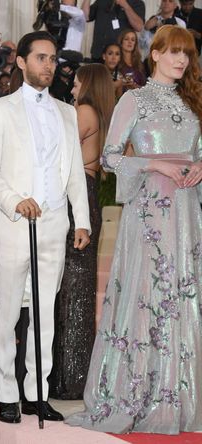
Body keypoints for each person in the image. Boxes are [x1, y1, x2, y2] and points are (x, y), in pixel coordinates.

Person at [65, 25, 202, 434]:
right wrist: (154, 163)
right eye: (174, 52)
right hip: (150, 215)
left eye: (187, 54)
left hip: (187, 212)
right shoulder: (134, 99)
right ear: (154, 53)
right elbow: (109, 157)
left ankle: (181, 395)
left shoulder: (195, 101)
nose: (181, 60)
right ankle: (139, 392)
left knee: (185, 294)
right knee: (148, 294)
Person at [0, 30, 91, 424]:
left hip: (55, 224)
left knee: (45, 312)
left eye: (52, 58)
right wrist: (13, 200)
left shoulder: (67, 112)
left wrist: (83, 220)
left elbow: (75, 171)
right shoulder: (0, 109)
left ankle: (37, 394)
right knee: (8, 312)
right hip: (14, 224)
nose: (48, 65)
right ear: (22, 62)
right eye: (41, 57)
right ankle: (8, 395)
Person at [50, 63, 115, 400]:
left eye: (75, 84)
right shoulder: (104, 114)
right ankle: (75, 376)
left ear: (87, 84)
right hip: (88, 195)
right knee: (79, 287)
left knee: (73, 290)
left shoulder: (84, 111)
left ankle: (70, 378)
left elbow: (59, 153)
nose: (72, 90)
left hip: (78, 197)